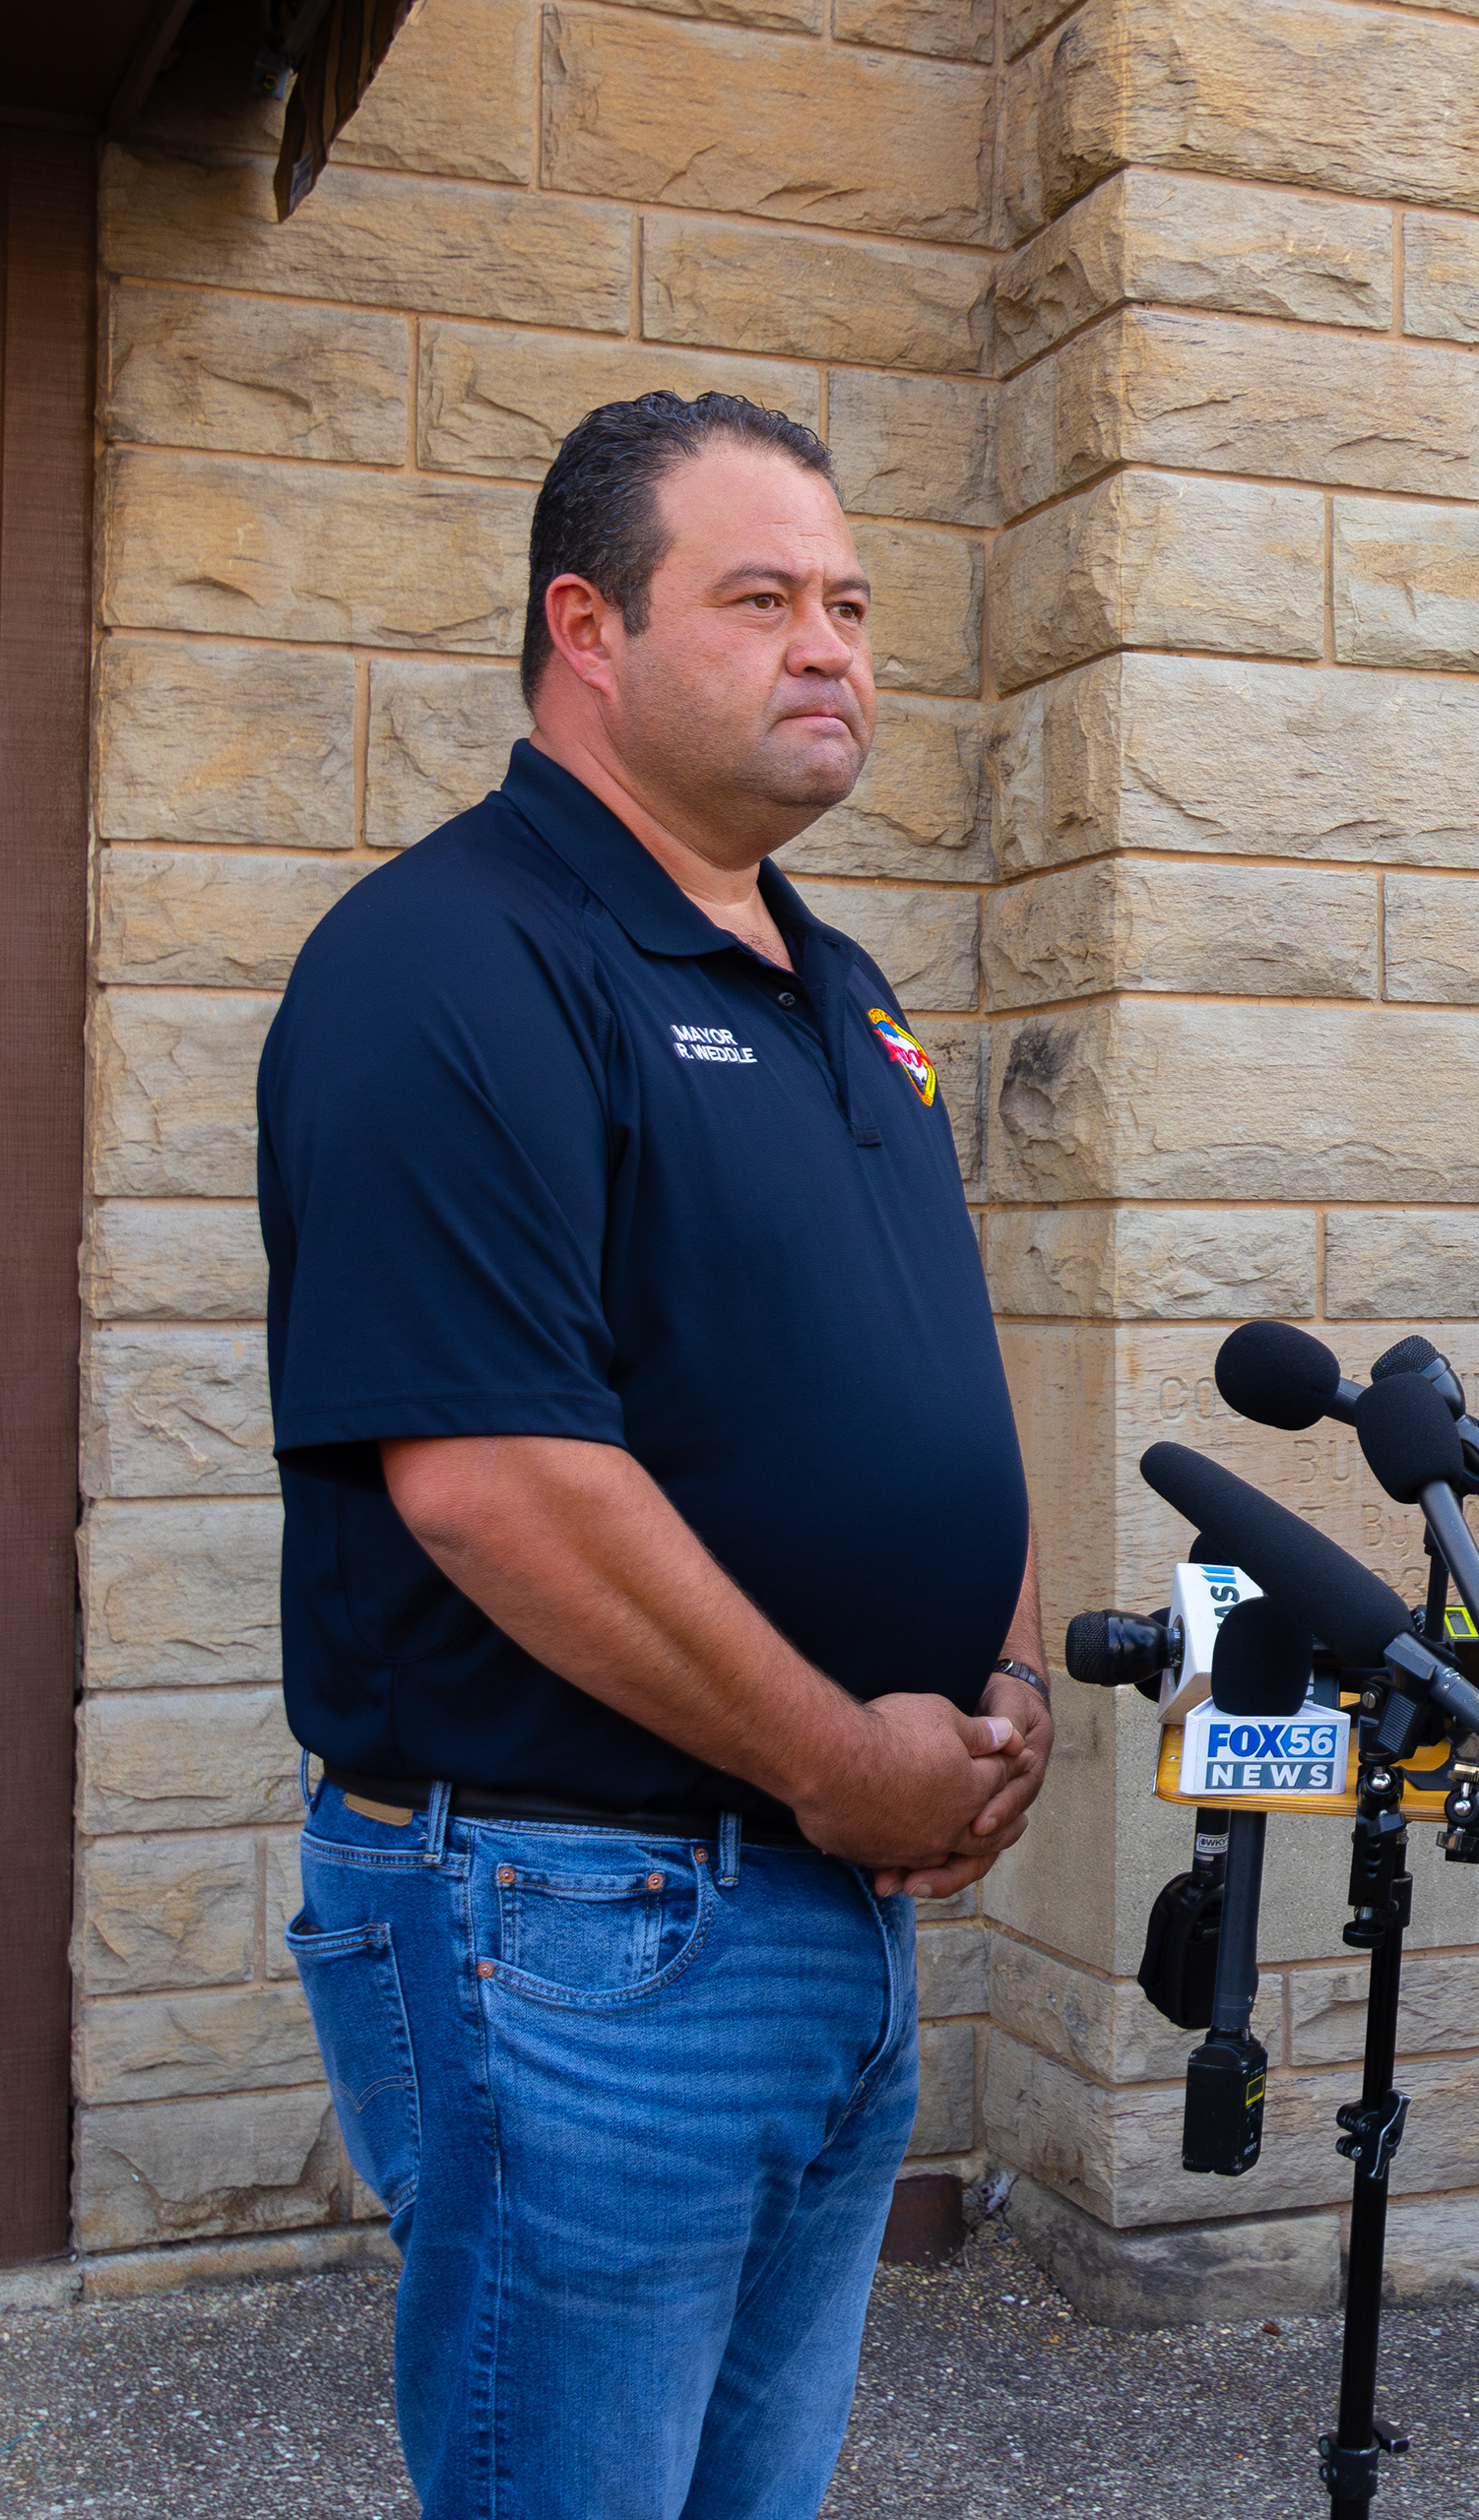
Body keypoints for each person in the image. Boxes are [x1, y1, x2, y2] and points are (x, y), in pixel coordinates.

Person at [261, 393, 1047, 2520]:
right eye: (764, 597)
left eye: (855, 605)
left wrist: (1002, 1682)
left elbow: (913, 1373)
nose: (834, 650)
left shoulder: (841, 980)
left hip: (821, 1901)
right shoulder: (450, 960)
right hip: (579, 1920)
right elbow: (494, 1477)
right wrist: (832, 1752)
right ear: (585, 627)